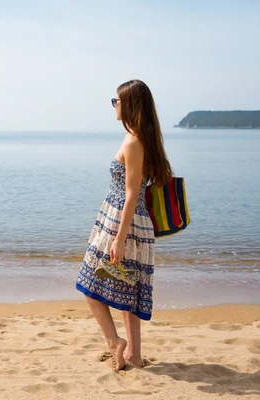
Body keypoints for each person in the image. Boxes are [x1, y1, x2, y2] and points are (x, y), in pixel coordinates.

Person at [75, 79, 172, 371]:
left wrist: (118, 238)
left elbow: (131, 193)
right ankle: (135, 357)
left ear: (130, 105)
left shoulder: (133, 141)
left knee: (89, 284)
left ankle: (115, 343)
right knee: (127, 288)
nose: (114, 105)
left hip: (122, 222)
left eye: (117, 101)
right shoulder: (143, 138)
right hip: (134, 223)